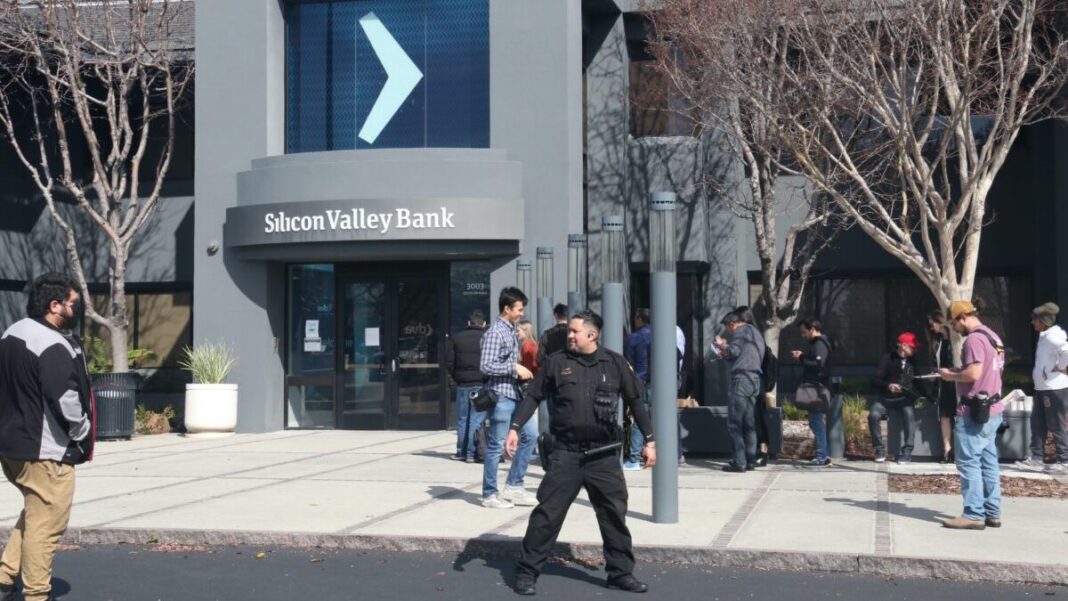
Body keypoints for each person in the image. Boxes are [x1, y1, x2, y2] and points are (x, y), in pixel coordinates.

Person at [505, 309, 656, 596]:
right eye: (569, 331)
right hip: (566, 455)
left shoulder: (614, 363)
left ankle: (620, 574)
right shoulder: (556, 362)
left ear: (592, 334)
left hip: (603, 456)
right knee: (546, 515)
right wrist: (514, 427)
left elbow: (636, 401)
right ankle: (527, 572)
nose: (569, 336)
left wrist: (650, 440)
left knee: (613, 516)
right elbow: (534, 396)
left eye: (574, 331)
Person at [0, 273, 95, 601]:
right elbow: (65, 399)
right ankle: (37, 595)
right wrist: (82, 431)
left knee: (35, 511)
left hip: (12, 448)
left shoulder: (12, 332)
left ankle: (5, 575)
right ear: (55, 306)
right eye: (73, 304)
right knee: (48, 524)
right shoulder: (52, 344)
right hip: (46, 452)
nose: (76, 309)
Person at [938, 299, 1006, 530]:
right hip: (993, 409)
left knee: (968, 462)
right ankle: (992, 512)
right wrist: (960, 370)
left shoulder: (974, 339)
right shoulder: (993, 337)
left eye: (953, 323)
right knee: (988, 462)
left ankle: (973, 513)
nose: (953, 328)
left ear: (962, 317)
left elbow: (974, 374)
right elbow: (985, 370)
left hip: (974, 411)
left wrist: (950, 376)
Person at [479, 287, 538, 509]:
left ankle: (514, 485)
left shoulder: (510, 330)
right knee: (496, 445)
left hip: (516, 395)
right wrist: (514, 368)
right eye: (519, 309)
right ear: (507, 308)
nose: (522, 313)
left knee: (531, 435)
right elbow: (485, 365)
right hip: (502, 395)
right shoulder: (495, 332)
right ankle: (490, 494)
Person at [1016, 302, 1068, 474]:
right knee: (1037, 423)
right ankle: (1037, 457)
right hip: (1042, 387)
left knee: (1055, 424)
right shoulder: (1045, 335)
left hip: (1053, 388)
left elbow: (1066, 351)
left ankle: (1064, 459)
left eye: (1035, 320)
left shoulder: (1054, 337)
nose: (1032, 323)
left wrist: (1061, 367)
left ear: (1043, 321)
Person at [713, 312, 766, 472]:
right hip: (754, 380)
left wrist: (721, 344)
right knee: (748, 423)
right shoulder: (755, 333)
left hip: (741, 380)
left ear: (732, 324)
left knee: (734, 423)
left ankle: (739, 462)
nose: (729, 332)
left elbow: (734, 351)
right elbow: (742, 355)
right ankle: (750, 460)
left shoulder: (741, 332)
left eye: (728, 328)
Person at [870, 332, 923, 464]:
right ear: (904, 346)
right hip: (885, 397)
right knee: (873, 415)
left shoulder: (912, 361)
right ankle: (879, 449)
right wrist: (888, 386)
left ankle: (907, 452)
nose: (915, 350)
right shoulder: (887, 359)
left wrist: (928, 396)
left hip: (904, 398)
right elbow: (875, 380)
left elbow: (918, 381)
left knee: (909, 414)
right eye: (913, 347)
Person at [445, 309, 487, 463]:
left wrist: (457, 377)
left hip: (462, 384)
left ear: (468, 323)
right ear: (483, 323)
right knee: (476, 419)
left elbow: (449, 362)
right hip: (480, 384)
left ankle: (461, 451)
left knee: (462, 419)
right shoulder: (486, 338)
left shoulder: (457, 338)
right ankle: (472, 452)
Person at [791, 319, 833, 466]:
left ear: (813, 329)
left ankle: (822, 456)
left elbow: (819, 365)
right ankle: (823, 455)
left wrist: (801, 357)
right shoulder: (819, 343)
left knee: (816, 422)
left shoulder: (820, 344)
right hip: (816, 387)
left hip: (817, 388)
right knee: (814, 422)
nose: (803, 335)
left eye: (804, 332)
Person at [926, 310, 958, 463]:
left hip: (957, 382)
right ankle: (947, 450)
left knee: (958, 414)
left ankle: (959, 450)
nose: (932, 328)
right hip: (943, 382)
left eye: (933, 325)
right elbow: (936, 363)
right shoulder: (937, 341)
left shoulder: (955, 339)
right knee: (945, 415)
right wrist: (934, 373)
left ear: (940, 322)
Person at [623, 309, 651, 471]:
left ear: (639, 319)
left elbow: (628, 363)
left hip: (640, 381)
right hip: (660, 382)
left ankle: (634, 457)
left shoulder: (634, 338)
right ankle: (673, 453)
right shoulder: (663, 334)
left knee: (640, 417)